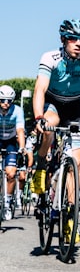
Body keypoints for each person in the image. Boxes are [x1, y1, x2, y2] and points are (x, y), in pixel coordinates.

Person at [31, 19, 80, 238]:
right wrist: (39, 117)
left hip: (74, 106)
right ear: (63, 40)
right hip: (52, 103)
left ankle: (70, 215)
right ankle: (40, 165)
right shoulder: (50, 58)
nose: (79, 44)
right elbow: (40, 89)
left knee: (76, 159)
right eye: (73, 39)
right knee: (50, 126)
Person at [0, 85, 26, 220]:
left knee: (11, 173)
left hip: (10, 141)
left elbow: (20, 131)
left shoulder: (17, 111)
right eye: (3, 100)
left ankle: (7, 202)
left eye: (9, 100)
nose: (6, 103)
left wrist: (21, 148)